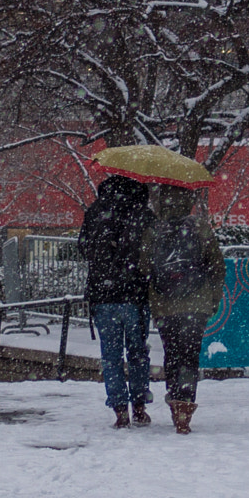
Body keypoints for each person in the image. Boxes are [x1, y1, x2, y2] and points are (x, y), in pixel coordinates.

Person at [139, 183, 224, 434]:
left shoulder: (153, 230)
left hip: (165, 307)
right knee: (189, 356)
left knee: (172, 354)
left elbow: (144, 269)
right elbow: (216, 266)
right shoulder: (200, 227)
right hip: (195, 305)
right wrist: (213, 299)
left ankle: (174, 398)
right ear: (188, 201)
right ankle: (184, 410)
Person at [79, 176, 155, 427]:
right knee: (138, 354)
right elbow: (153, 252)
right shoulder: (143, 214)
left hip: (104, 296)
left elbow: (82, 248)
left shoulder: (95, 211)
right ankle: (140, 407)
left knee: (110, 356)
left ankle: (120, 410)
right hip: (135, 295)